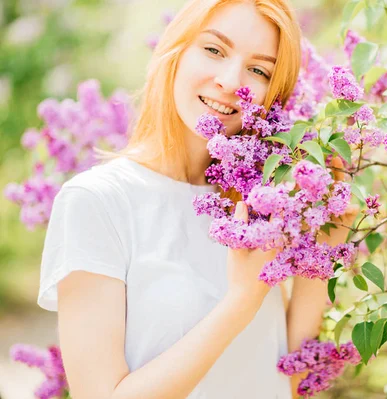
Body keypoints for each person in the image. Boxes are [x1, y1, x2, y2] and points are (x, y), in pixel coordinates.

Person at [36, 0, 356, 397]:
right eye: (214, 50)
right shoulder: (97, 202)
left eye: (258, 70)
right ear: (175, 51)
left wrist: (327, 239)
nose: (228, 79)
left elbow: (286, 383)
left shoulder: (261, 202)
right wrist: (241, 301)